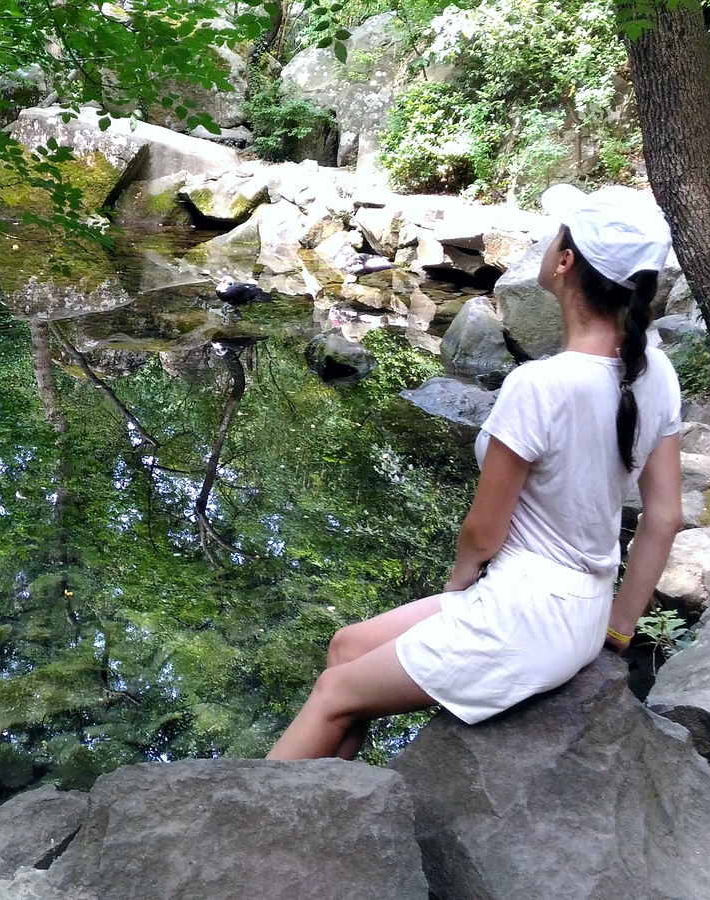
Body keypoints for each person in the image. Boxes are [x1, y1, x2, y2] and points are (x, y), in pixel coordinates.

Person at [267, 184, 686, 760]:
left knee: (335, 693)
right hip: (576, 609)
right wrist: (616, 631)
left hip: (526, 613)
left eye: (554, 235)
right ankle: (337, 811)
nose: (546, 242)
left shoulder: (540, 385)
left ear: (565, 262)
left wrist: (457, 587)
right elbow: (664, 517)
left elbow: (484, 535)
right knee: (347, 648)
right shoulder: (655, 370)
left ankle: (255, 832)